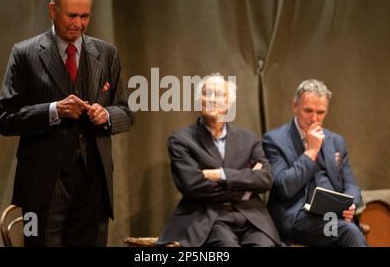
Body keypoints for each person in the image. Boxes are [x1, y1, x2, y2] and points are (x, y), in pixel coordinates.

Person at [0, 0, 134, 246]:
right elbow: (5, 119)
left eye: (85, 16)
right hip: (43, 185)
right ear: (52, 10)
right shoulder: (25, 53)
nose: (78, 24)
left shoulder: (107, 54)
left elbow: (126, 113)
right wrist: (54, 111)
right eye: (72, 15)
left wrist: (106, 115)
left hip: (94, 183)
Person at [157, 74, 281, 247]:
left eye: (219, 94)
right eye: (207, 93)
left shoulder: (248, 138)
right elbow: (192, 185)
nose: (211, 99)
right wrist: (245, 187)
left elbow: (266, 179)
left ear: (229, 103)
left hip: (251, 216)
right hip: (208, 218)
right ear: (199, 100)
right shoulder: (181, 140)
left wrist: (221, 174)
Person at [262, 79, 367, 246]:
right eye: (308, 111)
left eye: (321, 112)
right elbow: (284, 187)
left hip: (332, 215)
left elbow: (351, 185)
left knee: (348, 229)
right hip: (297, 217)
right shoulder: (274, 140)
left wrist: (351, 205)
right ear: (295, 106)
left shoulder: (336, 141)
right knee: (348, 232)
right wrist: (311, 151)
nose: (314, 119)